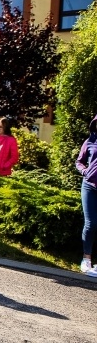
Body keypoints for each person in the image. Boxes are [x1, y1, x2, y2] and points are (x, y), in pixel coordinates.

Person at [76, 114, 97, 277]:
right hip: (89, 186)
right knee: (91, 223)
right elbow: (79, 161)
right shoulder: (90, 140)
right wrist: (85, 171)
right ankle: (86, 259)